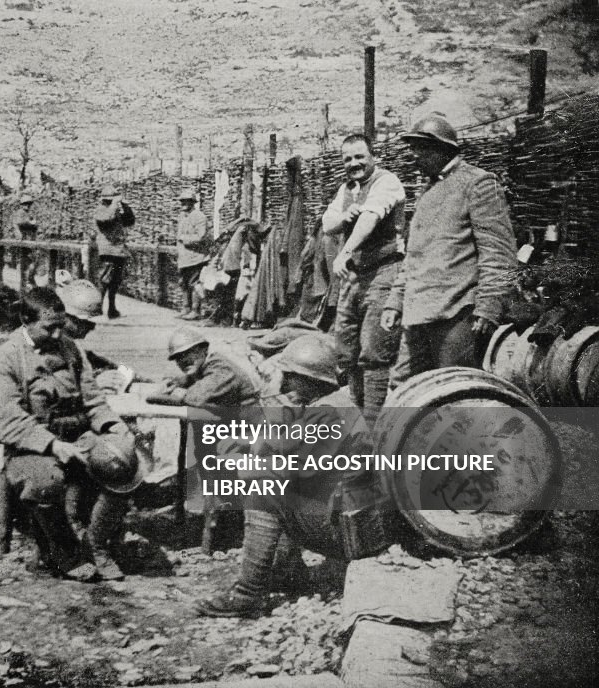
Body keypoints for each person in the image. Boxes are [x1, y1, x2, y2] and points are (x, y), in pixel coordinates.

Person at [192, 334, 390, 618]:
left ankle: (248, 593)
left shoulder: (327, 412)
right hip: (361, 526)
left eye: (289, 376)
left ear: (307, 378)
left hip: (357, 537)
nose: (283, 382)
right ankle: (286, 570)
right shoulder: (336, 402)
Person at [0, 287, 140, 581]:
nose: (58, 335)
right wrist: (53, 445)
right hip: (31, 444)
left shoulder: (72, 349)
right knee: (45, 480)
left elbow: (94, 402)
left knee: (125, 462)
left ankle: (95, 545)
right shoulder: (5, 358)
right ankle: (63, 552)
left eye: (60, 325)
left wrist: (114, 427)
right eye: (49, 327)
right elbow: (7, 420)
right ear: (25, 321)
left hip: (79, 435)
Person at [381, 115, 517, 384]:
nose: (415, 155)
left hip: (457, 315)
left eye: (422, 148)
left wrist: (489, 305)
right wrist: (396, 302)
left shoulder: (478, 183)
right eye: (413, 148)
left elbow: (499, 253)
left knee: (454, 391)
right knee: (405, 388)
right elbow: (413, 257)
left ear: (445, 149)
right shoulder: (428, 193)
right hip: (418, 312)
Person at [322, 134, 405, 423]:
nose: (354, 163)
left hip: (384, 271)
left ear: (373, 156)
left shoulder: (386, 181)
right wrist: (345, 217)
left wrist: (345, 250)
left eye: (360, 157)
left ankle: (374, 426)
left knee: (375, 352)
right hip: (355, 277)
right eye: (348, 159)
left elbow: (371, 217)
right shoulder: (346, 188)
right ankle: (357, 419)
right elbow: (327, 223)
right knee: (346, 350)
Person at [93, 185, 135, 319]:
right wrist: (115, 204)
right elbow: (105, 219)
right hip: (108, 249)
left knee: (115, 281)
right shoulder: (101, 210)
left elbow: (129, 221)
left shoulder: (115, 210)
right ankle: (96, 307)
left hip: (118, 249)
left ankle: (112, 309)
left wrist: (125, 206)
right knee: (105, 279)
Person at [175, 188, 211, 321]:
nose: (184, 203)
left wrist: (184, 239)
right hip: (184, 257)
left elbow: (201, 237)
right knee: (183, 283)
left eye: (187, 201)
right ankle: (186, 308)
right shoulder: (182, 216)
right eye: (182, 201)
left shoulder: (199, 216)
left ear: (193, 202)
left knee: (194, 283)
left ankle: (195, 310)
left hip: (196, 257)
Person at [13, 193, 42, 288]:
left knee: (33, 260)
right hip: (22, 239)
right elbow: (20, 223)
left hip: (29, 239)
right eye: (25, 204)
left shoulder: (28, 213)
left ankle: (29, 279)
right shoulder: (20, 213)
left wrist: (33, 223)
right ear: (21, 205)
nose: (27, 206)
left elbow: (35, 225)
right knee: (26, 261)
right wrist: (31, 222)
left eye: (29, 204)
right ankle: (26, 281)